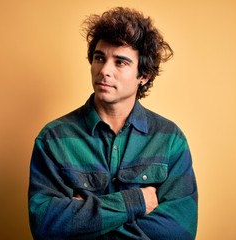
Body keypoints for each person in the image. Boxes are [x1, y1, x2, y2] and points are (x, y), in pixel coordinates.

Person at [28, 7, 198, 240]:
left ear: (144, 76)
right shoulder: (54, 138)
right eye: (100, 58)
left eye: (120, 62)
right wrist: (137, 201)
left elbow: (179, 231)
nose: (105, 70)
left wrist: (82, 221)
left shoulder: (169, 139)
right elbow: (46, 226)